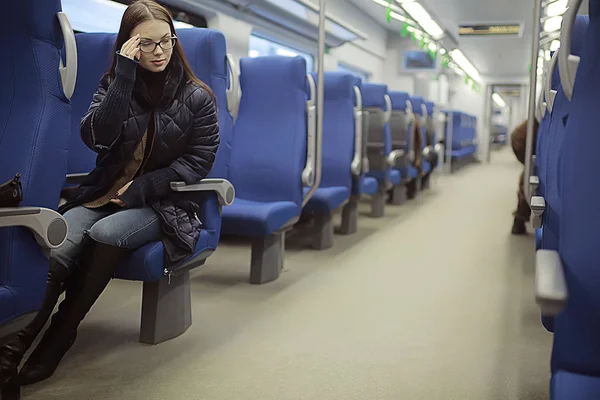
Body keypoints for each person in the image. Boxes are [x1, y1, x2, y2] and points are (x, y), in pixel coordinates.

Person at [0, 0, 219, 387]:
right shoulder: (115, 84)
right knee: (62, 239)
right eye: (145, 44)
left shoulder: (197, 97)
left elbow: (199, 162)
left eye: (165, 42)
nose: (158, 52)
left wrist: (146, 186)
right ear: (128, 45)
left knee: (107, 233)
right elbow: (97, 137)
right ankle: (13, 349)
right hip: (105, 192)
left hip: (164, 202)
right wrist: (124, 78)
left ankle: (60, 334)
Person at [510, 118, 539, 234]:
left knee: (528, 176)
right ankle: (520, 217)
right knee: (528, 177)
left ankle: (519, 219)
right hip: (523, 141)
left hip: (522, 139)